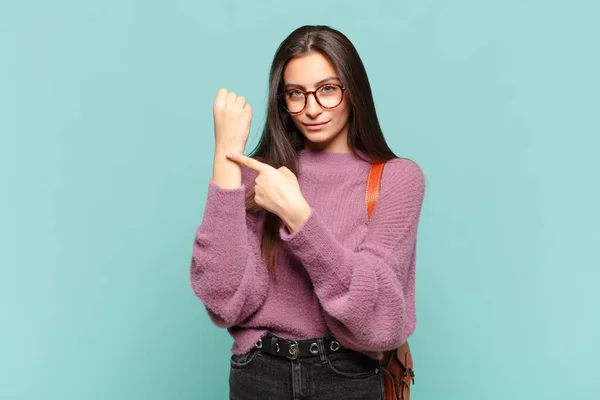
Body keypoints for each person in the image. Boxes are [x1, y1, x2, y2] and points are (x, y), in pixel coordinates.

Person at [190, 24, 426, 400]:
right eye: (295, 94)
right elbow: (223, 299)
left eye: (327, 90)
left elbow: (376, 319)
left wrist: (298, 216)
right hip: (258, 374)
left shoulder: (397, 179)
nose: (312, 108)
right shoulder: (258, 176)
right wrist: (225, 158)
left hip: (346, 374)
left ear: (353, 91)